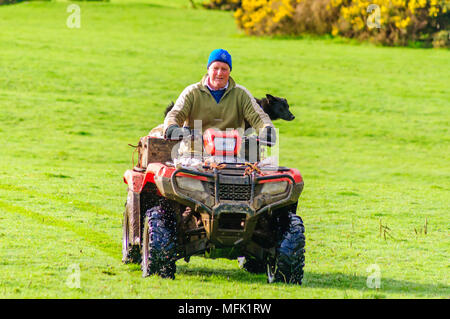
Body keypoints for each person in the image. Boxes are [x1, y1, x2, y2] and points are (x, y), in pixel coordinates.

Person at [163, 49, 276, 144]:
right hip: (195, 152)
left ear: (229, 71)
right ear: (208, 69)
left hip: (233, 154)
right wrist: (172, 127)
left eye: (224, 69)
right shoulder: (192, 92)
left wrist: (267, 129)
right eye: (215, 68)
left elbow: (258, 116)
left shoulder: (241, 94)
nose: (219, 73)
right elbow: (175, 114)